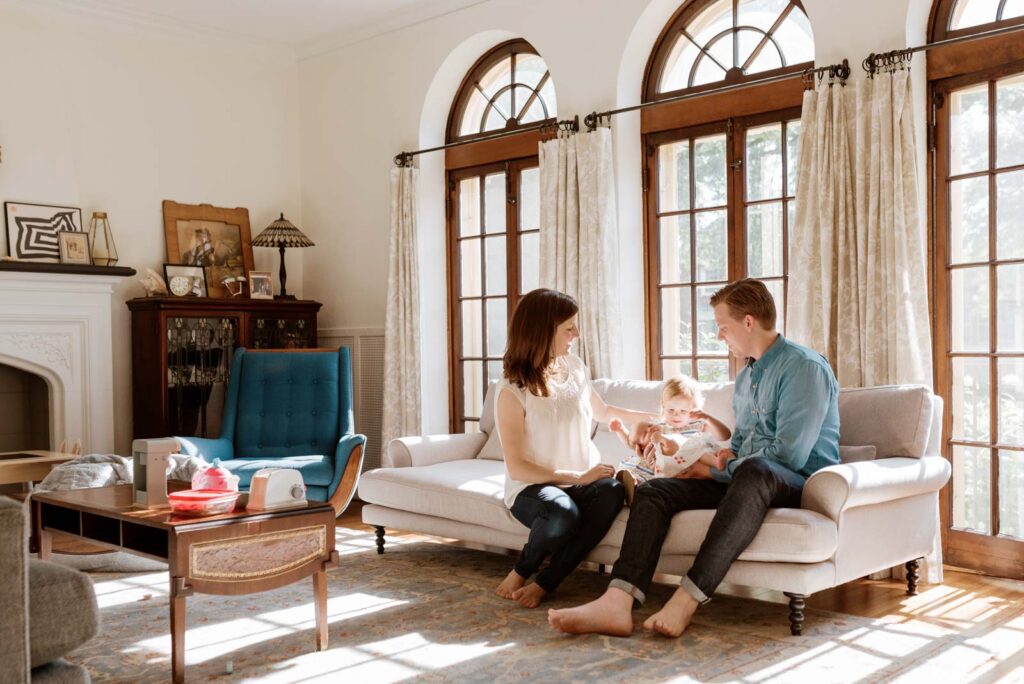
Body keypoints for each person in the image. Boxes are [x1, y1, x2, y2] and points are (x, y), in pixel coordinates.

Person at [548, 278, 840, 637]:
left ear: (749, 322)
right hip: (747, 478)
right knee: (657, 491)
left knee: (757, 470)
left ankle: (686, 599)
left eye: (723, 327)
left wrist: (714, 470)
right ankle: (617, 602)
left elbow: (788, 456)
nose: (720, 336)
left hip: (795, 481)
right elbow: (740, 445)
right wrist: (699, 459)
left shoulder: (803, 368)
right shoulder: (748, 375)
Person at [494, 288, 653, 609]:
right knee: (561, 516)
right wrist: (579, 477)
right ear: (542, 331)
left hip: (581, 481)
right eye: (569, 328)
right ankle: (522, 569)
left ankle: (545, 582)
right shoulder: (511, 390)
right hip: (533, 486)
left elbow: (604, 412)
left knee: (610, 491)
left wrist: (657, 418)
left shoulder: (575, 366)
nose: (576, 334)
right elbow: (518, 467)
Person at [610, 374, 732, 505]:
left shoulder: (697, 425)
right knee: (641, 468)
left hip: (690, 468)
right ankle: (631, 487)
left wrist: (708, 418)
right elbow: (632, 442)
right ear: (663, 406)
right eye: (671, 410)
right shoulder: (657, 427)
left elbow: (725, 435)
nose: (676, 415)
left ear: (694, 409)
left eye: (683, 411)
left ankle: (716, 462)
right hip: (665, 468)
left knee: (698, 448)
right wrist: (620, 430)